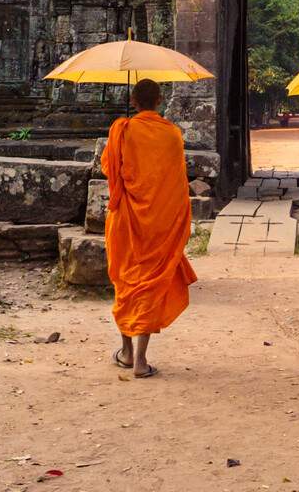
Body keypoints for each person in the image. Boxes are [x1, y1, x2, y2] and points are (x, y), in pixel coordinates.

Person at [100, 78, 198, 378]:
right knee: (150, 286)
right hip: (160, 222)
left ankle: (127, 352)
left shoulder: (122, 130)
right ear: (159, 100)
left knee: (127, 282)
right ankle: (140, 360)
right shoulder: (172, 134)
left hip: (127, 222)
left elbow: (108, 168)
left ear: (133, 100)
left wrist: (122, 141)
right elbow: (178, 182)